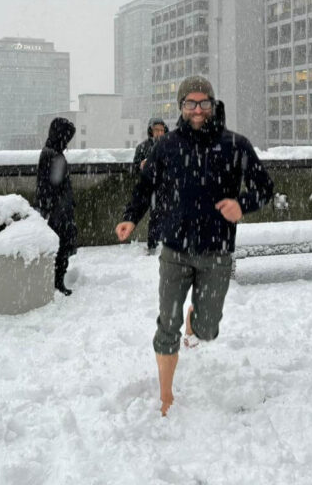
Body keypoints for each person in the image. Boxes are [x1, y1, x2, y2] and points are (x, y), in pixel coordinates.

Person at [114, 76, 274, 416]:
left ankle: (196, 321)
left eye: (204, 103)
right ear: (181, 107)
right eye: (190, 103)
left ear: (213, 105)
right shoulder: (166, 146)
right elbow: (145, 188)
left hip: (216, 252)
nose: (198, 109)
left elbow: (265, 187)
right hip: (174, 249)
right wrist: (131, 217)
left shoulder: (235, 144)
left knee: (208, 329)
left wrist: (241, 204)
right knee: (166, 325)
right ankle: (166, 395)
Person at [37, 117, 78, 295]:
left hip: (57, 211)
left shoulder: (51, 152)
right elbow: (52, 186)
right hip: (58, 212)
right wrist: (59, 207)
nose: (68, 142)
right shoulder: (53, 155)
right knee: (61, 247)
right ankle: (57, 282)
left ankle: (57, 281)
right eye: (67, 137)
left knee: (61, 247)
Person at [132, 117, 168, 252]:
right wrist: (141, 165)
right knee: (154, 217)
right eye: (156, 130)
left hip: (166, 187)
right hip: (149, 188)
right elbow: (134, 167)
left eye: (162, 130)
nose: (159, 133)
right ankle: (152, 245)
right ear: (150, 131)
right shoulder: (142, 147)